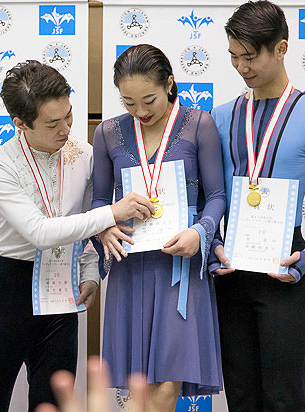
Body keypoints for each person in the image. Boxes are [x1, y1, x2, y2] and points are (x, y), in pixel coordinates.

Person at [0, 60, 155, 412]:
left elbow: (83, 223)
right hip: (9, 285)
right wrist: (112, 212)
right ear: (19, 123)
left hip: (61, 288)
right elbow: (40, 231)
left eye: (68, 115)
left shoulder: (84, 155)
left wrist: (89, 274)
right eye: (53, 123)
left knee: (56, 400)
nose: (66, 129)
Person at [209, 0, 305, 412]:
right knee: (240, 398)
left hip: (285, 271)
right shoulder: (219, 118)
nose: (241, 67)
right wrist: (212, 245)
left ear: (281, 48)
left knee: (283, 398)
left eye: (250, 56)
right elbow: (208, 196)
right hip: (231, 268)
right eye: (233, 57)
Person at [92, 44, 225, 412]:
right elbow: (99, 201)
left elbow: (217, 195)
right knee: (138, 389)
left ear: (169, 84)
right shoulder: (107, 133)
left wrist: (200, 232)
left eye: (149, 99)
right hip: (131, 268)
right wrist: (104, 229)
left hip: (179, 269)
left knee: (167, 385)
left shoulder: (200, 124)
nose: (141, 112)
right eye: (128, 103)